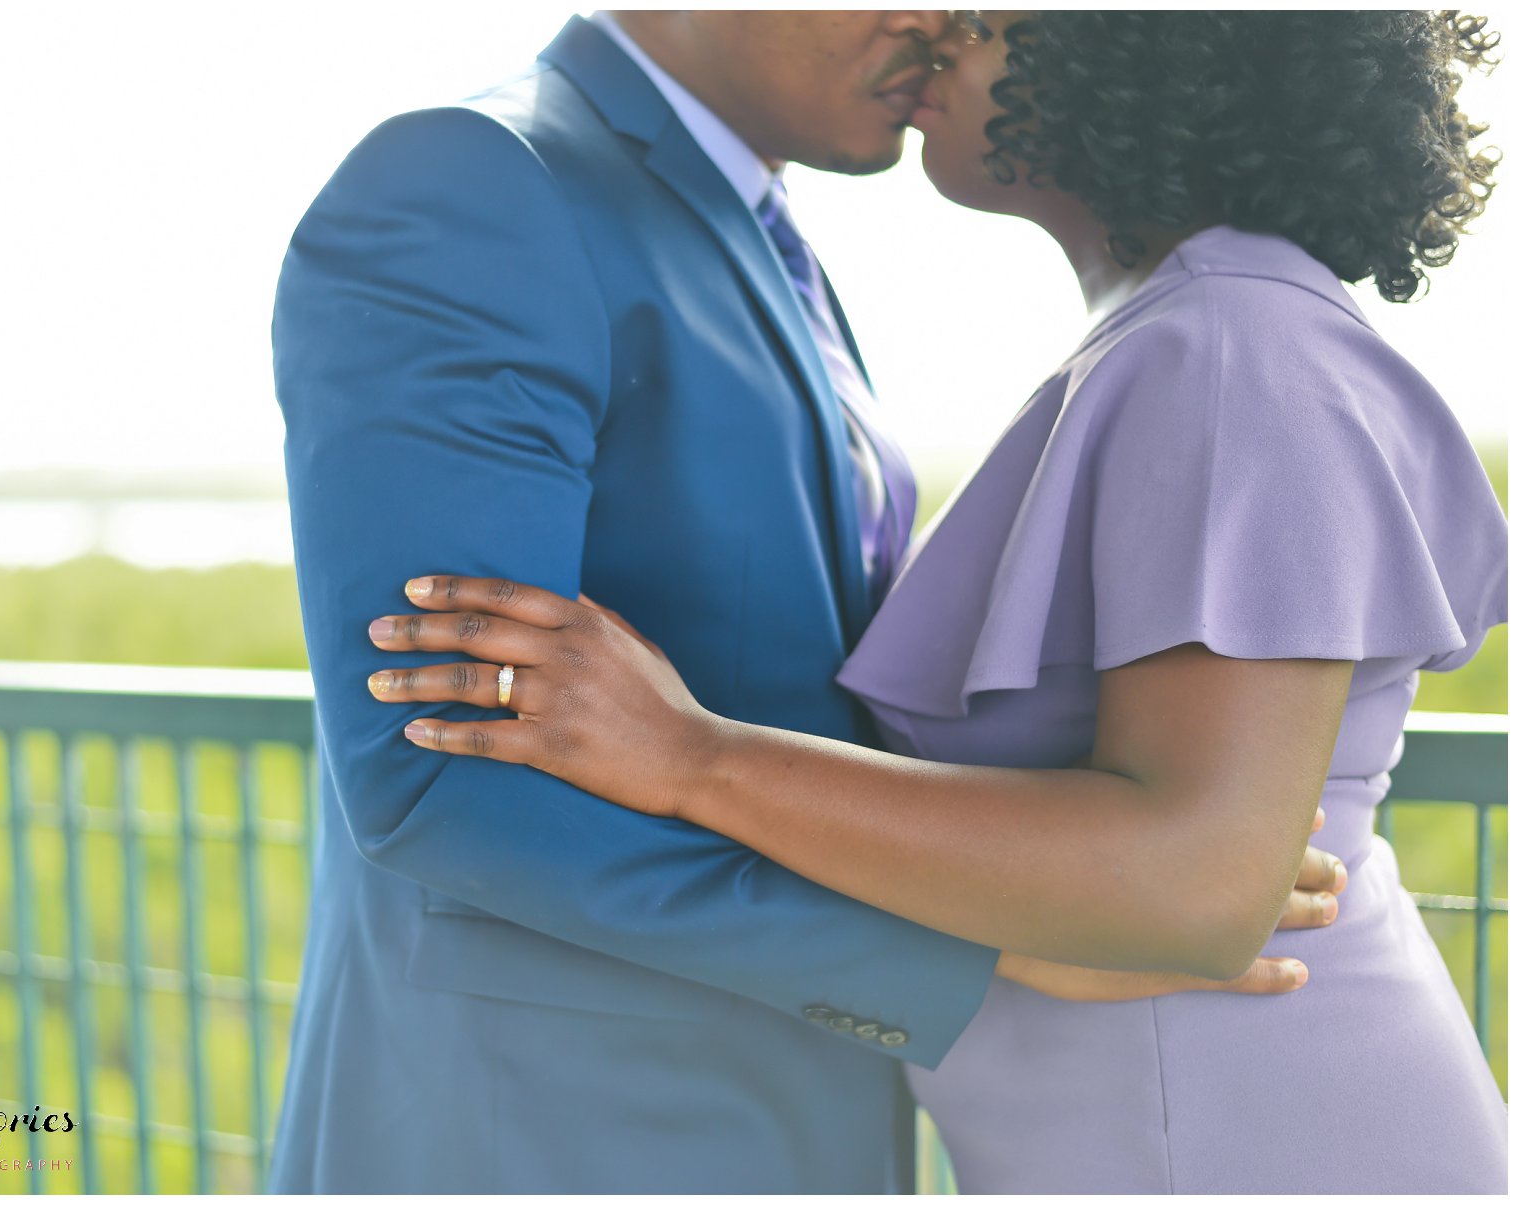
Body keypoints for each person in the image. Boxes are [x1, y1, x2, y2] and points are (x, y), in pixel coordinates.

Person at [361, 10, 1509, 1195]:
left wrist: (687, 754)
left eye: (998, 16)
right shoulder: (1167, 341)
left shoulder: (1234, 347)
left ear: (1144, 44)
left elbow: (1196, 884)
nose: (946, 31)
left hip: (1248, 1138)